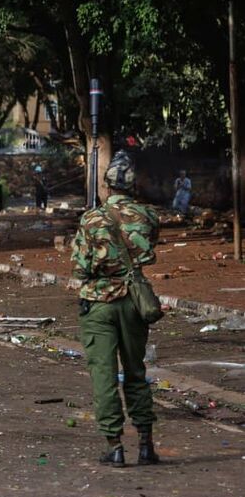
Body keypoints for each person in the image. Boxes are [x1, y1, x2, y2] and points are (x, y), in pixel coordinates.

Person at [71, 151, 160, 467]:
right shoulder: (148, 217)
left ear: (106, 186)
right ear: (133, 187)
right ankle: (146, 445)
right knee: (136, 373)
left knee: (104, 377)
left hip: (99, 305)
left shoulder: (92, 219)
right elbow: (150, 255)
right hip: (136, 304)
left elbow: (81, 268)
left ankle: (115, 446)